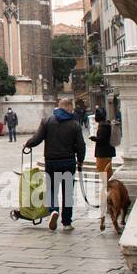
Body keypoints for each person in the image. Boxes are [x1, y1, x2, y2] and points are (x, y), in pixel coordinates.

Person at [24, 97, 87, 231]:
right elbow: (81, 145)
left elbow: (37, 139)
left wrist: (27, 144)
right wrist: (80, 160)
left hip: (51, 162)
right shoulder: (74, 124)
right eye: (71, 108)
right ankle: (67, 222)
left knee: (52, 189)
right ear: (68, 107)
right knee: (68, 193)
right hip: (68, 161)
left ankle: (53, 210)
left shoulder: (47, 121)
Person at [92, 105, 116, 179]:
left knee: (102, 170)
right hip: (108, 151)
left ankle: (107, 186)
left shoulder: (103, 126)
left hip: (103, 153)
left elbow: (101, 139)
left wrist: (93, 138)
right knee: (107, 170)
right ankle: (108, 186)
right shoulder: (106, 124)